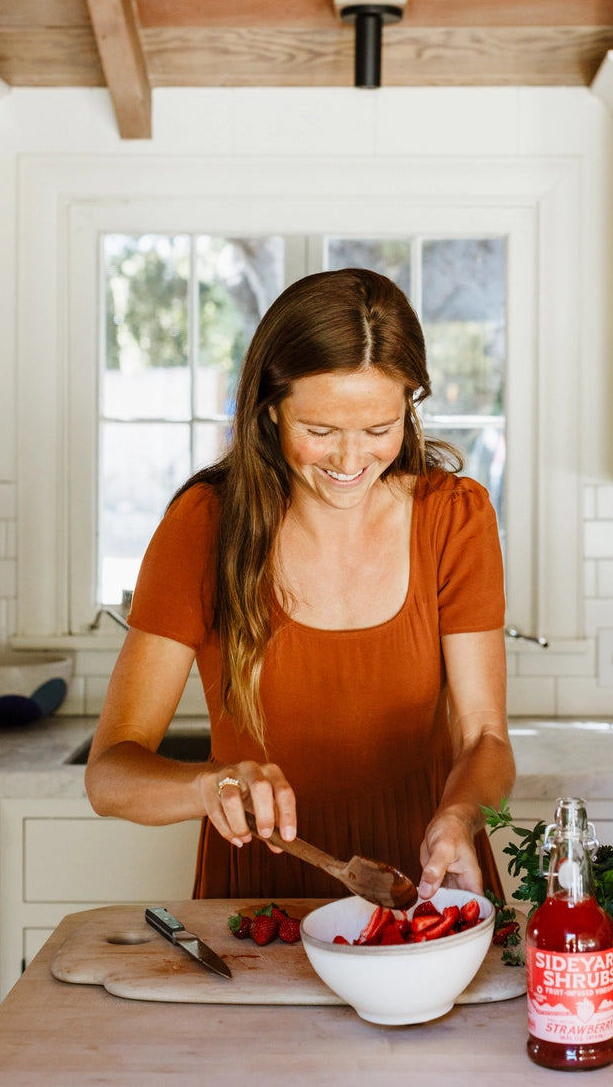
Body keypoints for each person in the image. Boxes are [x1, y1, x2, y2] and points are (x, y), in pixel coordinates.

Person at [85, 267, 515, 903]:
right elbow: (110, 774)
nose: (350, 462)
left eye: (379, 430)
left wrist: (461, 814)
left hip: (427, 887)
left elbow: (485, 738)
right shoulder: (205, 527)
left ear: (409, 406)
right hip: (264, 895)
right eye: (320, 432)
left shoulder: (455, 517)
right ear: (270, 411)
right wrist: (208, 787)